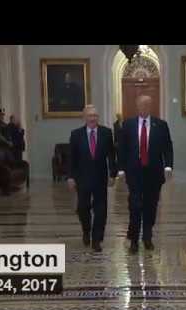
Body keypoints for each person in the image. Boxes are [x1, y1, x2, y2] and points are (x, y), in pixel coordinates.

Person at [118, 95, 174, 254]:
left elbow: (168, 147)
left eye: (148, 105)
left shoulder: (161, 125)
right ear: (137, 106)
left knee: (151, 206)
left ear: (151, 107)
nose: (145, 107)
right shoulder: (128, 125)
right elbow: (122, 149)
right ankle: (134, 241)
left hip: (154, 173)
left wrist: (168, 166)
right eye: (142, 105)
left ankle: (147, 237)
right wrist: (121, 169)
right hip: (134, 173)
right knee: (135, 206)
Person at [67, 105, 117, 252]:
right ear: (84, 117)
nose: (93, 118)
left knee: (101, 210)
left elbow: (112, 155)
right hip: (82, 178)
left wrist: (112, 174)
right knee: (82, 208)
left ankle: (97, 239)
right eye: (90, 115)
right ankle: (86, 231)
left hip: (100, 177)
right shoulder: (76, 134)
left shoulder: (106, 133)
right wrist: (70, 177)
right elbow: (72, 158)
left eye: (95, 115)